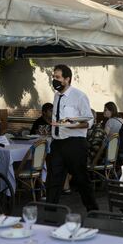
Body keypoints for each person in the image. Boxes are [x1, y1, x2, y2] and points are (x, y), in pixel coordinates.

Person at [48, 64, 98, 211]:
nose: (55, 80)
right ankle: (49, 212)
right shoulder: (56, 96)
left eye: (58, 77)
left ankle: (93, 210)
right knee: (53, 180)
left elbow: (89, 121)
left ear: (67, 79)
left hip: (75, 143)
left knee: (81, 179)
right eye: (54, 77)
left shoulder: (79, 96)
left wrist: (71, 125)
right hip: (57, 143)